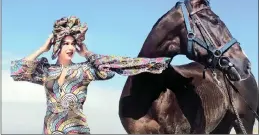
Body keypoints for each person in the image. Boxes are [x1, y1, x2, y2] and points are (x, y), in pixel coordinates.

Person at [10, 16, 171, 134]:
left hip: (77, 129)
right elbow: (17, 71)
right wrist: (42, 49)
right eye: (66, 43)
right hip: (51, 130)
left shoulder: (84, 70)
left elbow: (107, 71)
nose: (70, 47)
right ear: (57, 46)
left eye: (73, 43)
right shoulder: (47, 71)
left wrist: (87, 53)